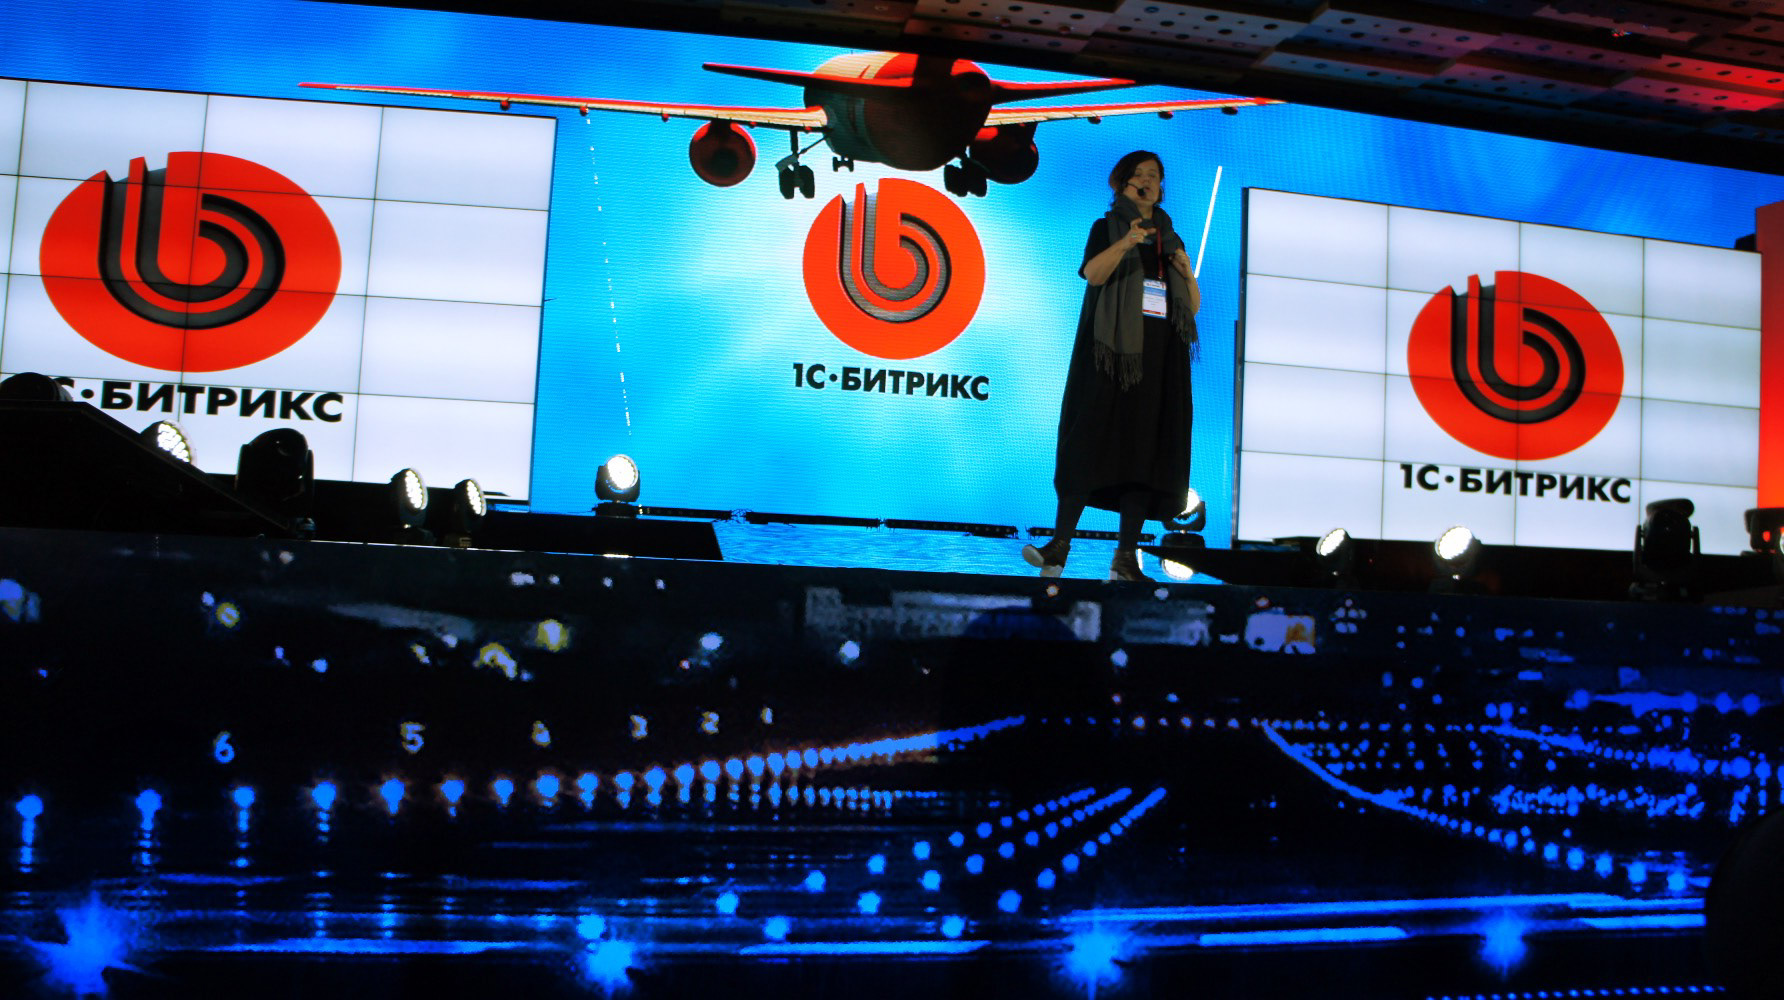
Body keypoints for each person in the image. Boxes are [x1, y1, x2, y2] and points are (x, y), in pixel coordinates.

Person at [1022, 150, 1200, 582]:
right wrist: (1126, 243)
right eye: (1139, 174)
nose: (1147, 181)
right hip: (1111, 356)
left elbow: (1190, 307)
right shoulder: (1106, 228)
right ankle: (1058, 547)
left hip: (1159, 358)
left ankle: (1124, 559)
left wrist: (1186, 272)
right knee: (1089, 443)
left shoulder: (1171, 239)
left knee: (1144, 454)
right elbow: (1094, 275)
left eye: (1154, 175)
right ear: (1122, 184)